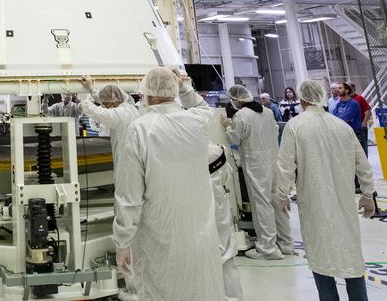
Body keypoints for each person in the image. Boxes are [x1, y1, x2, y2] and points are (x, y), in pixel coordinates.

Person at [113, 66, 225, 301]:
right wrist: (184, 85)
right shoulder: (196, 122)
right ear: (173, 91)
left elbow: (129, 197)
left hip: (161, 237)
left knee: (163, 292)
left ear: (147, 93)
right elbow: (204, 108)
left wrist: (123, 241)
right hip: (200, 236)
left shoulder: (140, 130)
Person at [274, 80, 377, 301]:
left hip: (314, 202)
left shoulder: (295, 126)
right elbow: (363, 164)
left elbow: (285, 166)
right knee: (351, 255)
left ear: (302, 100)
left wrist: (281, 195)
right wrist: (368, 195)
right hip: (343, 201)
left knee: (321, 257)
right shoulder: (342, 126)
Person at [177, 75, 243, 301]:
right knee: (224, 255)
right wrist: (184, 86)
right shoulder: (203, 135)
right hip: (213, 190)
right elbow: (201, 107)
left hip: (195, 196)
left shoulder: (167, 130)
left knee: (203, 256)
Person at [225, 85, 293, 260]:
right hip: (272, 160)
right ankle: (285, 244)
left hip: (256, 165)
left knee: (261, 204)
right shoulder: (267, 111)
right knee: (277, 202)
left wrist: (228, 126)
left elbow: (233, 138)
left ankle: (268, 248)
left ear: (237, 100)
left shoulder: (241, 115)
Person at [78, 76, 142, 146]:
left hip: (128, 152)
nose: (104, 106)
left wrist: (83, 103)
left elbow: (97, 112)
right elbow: (102, 100)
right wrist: (91, 87)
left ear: (113, 100)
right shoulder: (129, 108)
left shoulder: (120, 114)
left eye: (105, 103)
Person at [332, 83, 370, 155]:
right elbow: (333, 116)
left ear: (347, 90)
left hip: (355, 132)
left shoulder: (353, 103)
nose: (337, 90)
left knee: (360, 155)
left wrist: (339, 117)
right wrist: (340, 117)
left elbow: (346, 117)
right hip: (344, 132)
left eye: (340, 88)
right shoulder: (339, 103)